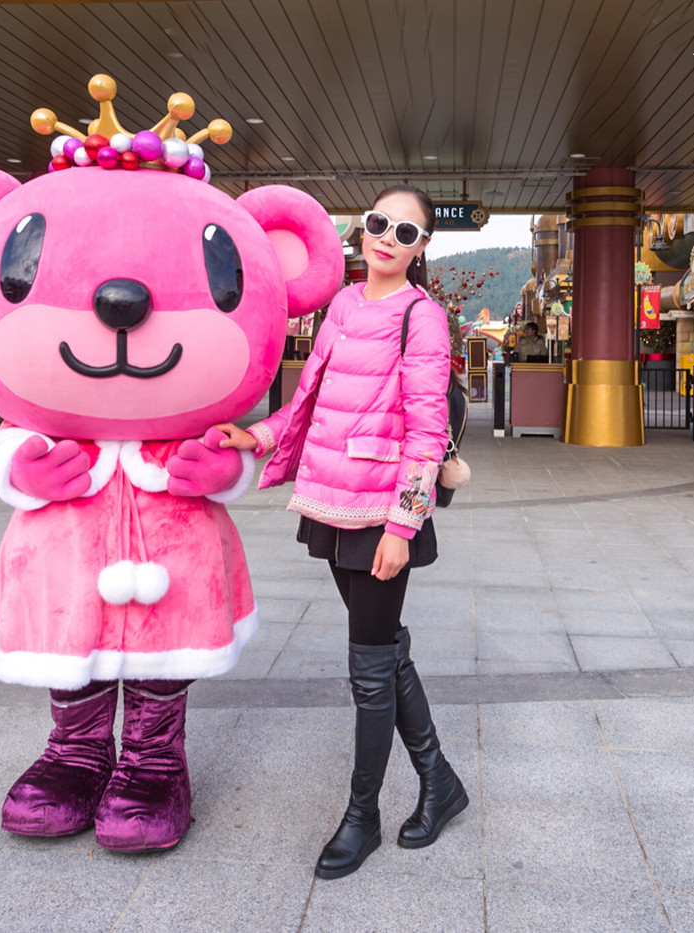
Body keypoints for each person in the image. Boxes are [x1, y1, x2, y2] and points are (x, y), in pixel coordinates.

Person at [213, 185, 468, 880]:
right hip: (331, 499)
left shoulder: (422, 317)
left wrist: (402, 525)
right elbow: (309, 397)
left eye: (406, 232)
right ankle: (440, 781)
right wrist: (259, 436)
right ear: (362, 228)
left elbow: (426, 433)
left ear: (421, 248)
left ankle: (364, 816)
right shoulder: (343, 305)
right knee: (383, 651)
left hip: (382, 512)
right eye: (379, 223)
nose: (387, 238)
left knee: (369, 667)